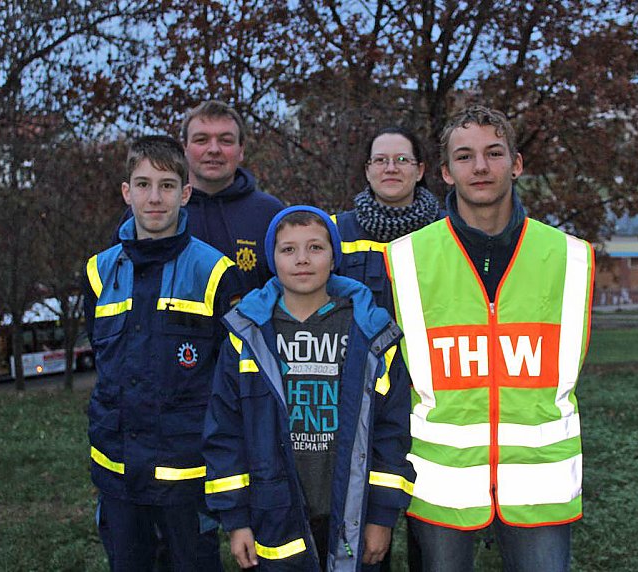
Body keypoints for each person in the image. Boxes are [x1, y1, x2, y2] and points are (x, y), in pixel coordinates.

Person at [384, 106, 595, 571]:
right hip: (442, 482)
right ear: (444, 172)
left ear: (516, 163)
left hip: (541, 484)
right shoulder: (405, 260)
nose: (480, 167)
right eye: (464, 156)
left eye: (494, 153)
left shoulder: (570, 257)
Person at [202, 206, 415, 571]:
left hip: (354, 514)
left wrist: (381, 516)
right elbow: (226, 432)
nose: (302, 259)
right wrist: (236, 521)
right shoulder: (246, 336)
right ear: (272, 259)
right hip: (274, 515)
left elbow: (391, 429)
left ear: (334, 257)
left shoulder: (370, 334)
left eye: (315, 247)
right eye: (288, 250)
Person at [84, 135, 237, 571]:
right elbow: (101, 357)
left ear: (185, 193)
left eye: (167, 185)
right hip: (116, 471)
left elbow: (230, 378)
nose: (155, 197)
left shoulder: (214, 272)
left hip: (186, 476)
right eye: (144, 184)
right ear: (126, 191)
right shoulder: (98, 272)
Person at [114, 101, 284, 297]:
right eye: (201, 140)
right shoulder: (149, 212)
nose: (213, 149)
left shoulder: (269, 214)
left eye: (225, 140)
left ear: (241, 149)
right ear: (184, 148)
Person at [332, 126, 444, 313]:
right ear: (368, 171)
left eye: (402, 160)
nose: (391, 169)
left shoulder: (449, 229)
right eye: (380, 160)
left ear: (420, 171)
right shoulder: (335, 231)